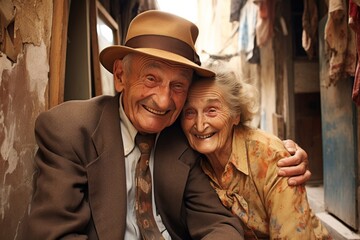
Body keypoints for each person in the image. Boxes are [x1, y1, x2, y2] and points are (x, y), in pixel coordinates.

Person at [25, 10, 310, 240]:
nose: (163, 101)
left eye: (178, 86)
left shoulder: (184, 136)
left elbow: (218, 224)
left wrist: (281, 154)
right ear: (121, 76)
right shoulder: (70, 130)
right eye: (151, 78)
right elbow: (53, 234)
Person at [180, 63, 331, 239]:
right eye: (189, 112)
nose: (200, 124)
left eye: (212, 110)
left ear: (236, 115)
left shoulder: (270, 157)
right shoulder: (191, 159)